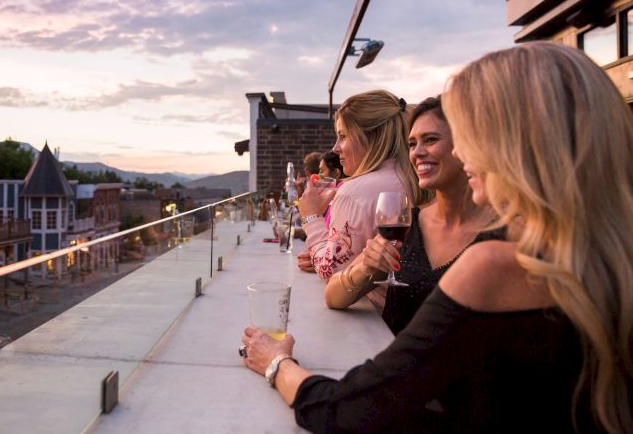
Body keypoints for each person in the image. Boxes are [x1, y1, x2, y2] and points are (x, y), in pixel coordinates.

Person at [240, 42, 632, 433]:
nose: (461, 152)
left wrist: (277, 363)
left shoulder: (501, 261)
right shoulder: (605, 253)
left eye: (470, 132)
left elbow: (352, 410)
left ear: (517, 143)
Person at [324, 96, 503, 334]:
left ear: (467, 145)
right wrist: (365, 267)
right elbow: (334, 297)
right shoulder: (408, 223)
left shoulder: (502, 232)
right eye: (411, 143)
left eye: (430, 140)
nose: (417, 152)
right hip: (395, 365)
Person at [297, 90, 430, 280]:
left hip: (373, 307)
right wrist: (326, 252)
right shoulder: (414, 178)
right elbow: (352, 259)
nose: (335, 148)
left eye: (343, 136)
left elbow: (331, 273)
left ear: (372, 137)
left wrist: (311, 218)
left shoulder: (355, 192)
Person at [297, 152, 346, 273]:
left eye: (321, 171)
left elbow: (342, 253)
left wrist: (319, 262)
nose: (317, 176)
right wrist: (316, 255)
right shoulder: (332, 198)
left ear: (336, 174)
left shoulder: (342, 198)